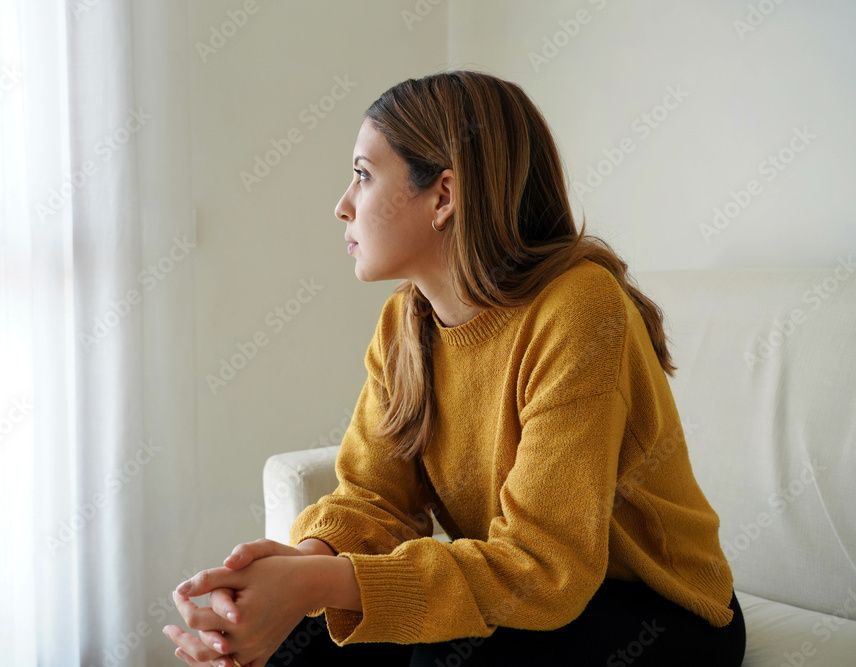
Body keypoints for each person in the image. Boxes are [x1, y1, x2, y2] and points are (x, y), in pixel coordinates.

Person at [162, 69, 746, 667]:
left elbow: (547, 569)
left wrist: (318, 583)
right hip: (534, 595)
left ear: (443, 195)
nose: (342, 206)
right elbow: (374, 497)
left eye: (363, 175)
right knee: (300, 644)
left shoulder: (579, 308)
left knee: (445, 657)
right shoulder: (404, 324)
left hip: (659, 611)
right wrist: (300, 568)